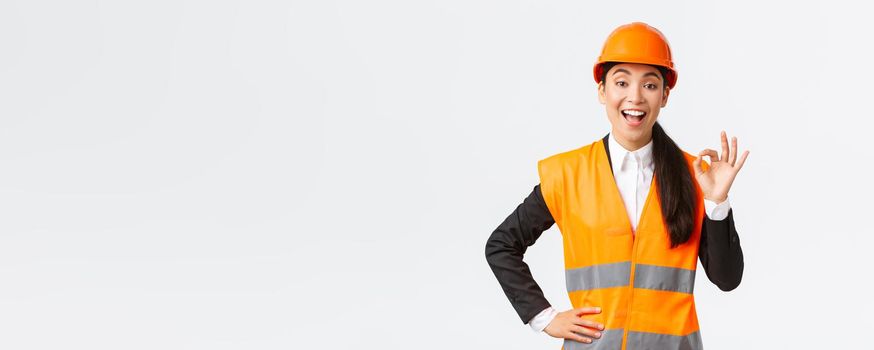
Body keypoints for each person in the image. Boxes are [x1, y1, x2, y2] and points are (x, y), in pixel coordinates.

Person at [485, 22, 749, 350]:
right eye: (621, 82)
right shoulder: (568, 174)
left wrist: (717, 202)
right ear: (602, 91)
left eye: (650, 85)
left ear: (665, 95)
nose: (635, 97)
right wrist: (545, 317)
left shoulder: (696, 176)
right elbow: (501, 245)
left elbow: (727, 279)